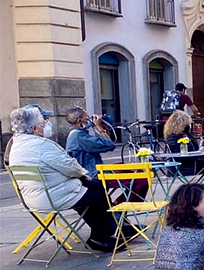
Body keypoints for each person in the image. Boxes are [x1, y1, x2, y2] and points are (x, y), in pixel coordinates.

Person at [8, 106, 128, 252]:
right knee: (98, 193)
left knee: (89, 194)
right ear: (34, 128)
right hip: (52, 196)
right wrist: (83, 174)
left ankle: (106, 232)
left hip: (32, 198)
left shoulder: (17, 145)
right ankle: (102, 236)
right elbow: (69, 166)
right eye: (43, 123)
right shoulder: (41, 145)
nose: (46, 125)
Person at [65, 106, 148, 202]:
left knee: (137, 171)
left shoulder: (78, 134)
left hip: (96, 172)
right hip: (94, 177)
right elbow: (109, 145)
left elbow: (104, 143)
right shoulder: (78, 136)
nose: (90, 118)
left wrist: (104, 128)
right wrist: (99, 128)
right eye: (86, 116)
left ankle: (119, 205)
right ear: (80, 121)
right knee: (142, 180)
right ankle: (119, 206)